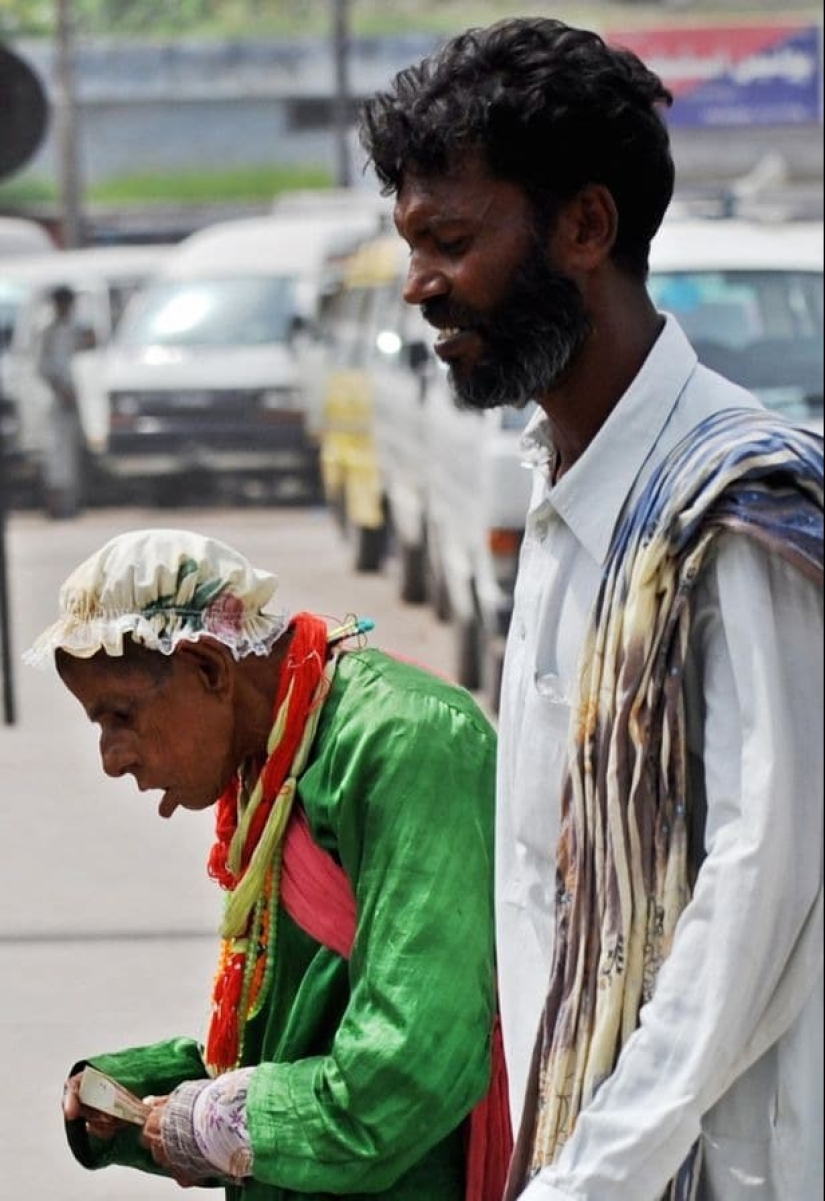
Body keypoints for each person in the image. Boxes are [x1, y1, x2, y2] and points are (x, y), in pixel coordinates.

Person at [359, 16, 824, 1201]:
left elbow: (762, 874)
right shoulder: (562, 495)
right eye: (412, 244)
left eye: (450, 241)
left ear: (585, 227)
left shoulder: (733, 500)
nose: (418, 287)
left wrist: (596, 1175)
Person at [25, 526, 511, 1200]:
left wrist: (218, 1122)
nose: (112, 757)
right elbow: (285, 1037)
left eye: (120, 714)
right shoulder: (270, 765)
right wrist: (142, 1097)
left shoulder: (407, 741)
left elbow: (405, 1074)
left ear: (208, 670)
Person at [35, 284, 86, 519]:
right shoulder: (47, 329)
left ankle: (71, 505)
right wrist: (60, 390)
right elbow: (42, 367)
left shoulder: (74, 328)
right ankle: (55, 506)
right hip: (55, 400)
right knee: (56, 454)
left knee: (73, 453)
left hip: (75, 398)